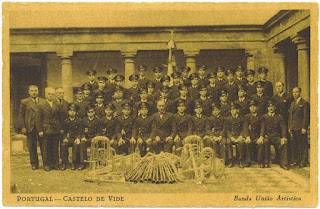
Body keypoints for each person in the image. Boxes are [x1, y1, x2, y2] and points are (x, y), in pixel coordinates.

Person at [18, 85, 44, 170]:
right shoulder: (24, 102)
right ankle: (34, 163)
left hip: (41, 127)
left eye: (36, 90)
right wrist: (23, 127)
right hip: (30, 127)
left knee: (44, 146)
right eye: (32, 91)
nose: (34, 92)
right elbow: (21, 116)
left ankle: (46, 163)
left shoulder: (43, 101)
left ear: (38, 91)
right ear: (29, 92)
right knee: (32, 147)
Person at [36, 87, 62, 171]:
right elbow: (38, 119)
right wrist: (40, 130)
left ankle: (55, 163)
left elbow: (59, 117)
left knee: (55, 147)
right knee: (46, 147)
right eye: (49, 94)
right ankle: (46, 164)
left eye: (52, 94)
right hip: (45, 129)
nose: (50, 96)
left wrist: (60, 128)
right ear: (45, 95)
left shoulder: (57, 104)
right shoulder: (41, 105)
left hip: (55, 128)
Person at [261, 100, 289, 170]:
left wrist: (283, 137)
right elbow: (262, 127)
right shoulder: (264, 117)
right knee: (265, 141)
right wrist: (262, 136)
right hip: (267, 136)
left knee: (284, 143)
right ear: (267, 108)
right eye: (269, 107)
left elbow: (283, 127)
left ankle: (283, 163)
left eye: (272, 106)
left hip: (276, 137)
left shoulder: (279, 117)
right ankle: (266, 161)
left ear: (275, 108)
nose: (271, 108)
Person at [288, 87, 310, 168]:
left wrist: (304, 127)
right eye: (293, 92)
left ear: (300, 92)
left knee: (302, 145)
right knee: (295, 145)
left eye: (296, 92)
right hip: (293, 127)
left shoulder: (304, 103)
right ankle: (297, 161)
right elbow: (290, 116)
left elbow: (306, 116)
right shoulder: (292, 103)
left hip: (301, 128)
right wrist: (290, 127)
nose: (295, 94)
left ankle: (303, 162)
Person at [243, 100, 265, 168]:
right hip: (250, 135)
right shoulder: (246, 117)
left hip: (257, 136)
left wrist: (261, 137)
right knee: (247, 143)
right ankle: (248, 161)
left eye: (254, 106)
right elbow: (245, 127)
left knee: (261, 143)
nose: (252, 108)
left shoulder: (261, 117)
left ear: (257, 108)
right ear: (249, 108)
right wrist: (247, 136)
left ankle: (260, 161)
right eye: (251, 107)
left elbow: (262, 127)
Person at [60, 103, 82, 171]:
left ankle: (74, 162)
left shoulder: (79, 121)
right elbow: (63, 132)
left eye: (74, 111)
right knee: (63, 145)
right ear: (68, 112)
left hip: (75, 138)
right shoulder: (65, 121)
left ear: (76, 112)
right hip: (68, 138)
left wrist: (78, 138)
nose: (72, 112)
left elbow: (80, 131)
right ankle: (64, 162)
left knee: (76, 145)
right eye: (70, 111)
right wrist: (64, 138)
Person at [224, 102, 246, 168]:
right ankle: (231, 161)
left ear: (238, 110)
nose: (232, 111)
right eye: (231, 110)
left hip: (239, 136)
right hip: (231, 136)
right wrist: (231, 137)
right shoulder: (228, 119)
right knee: (228, 142)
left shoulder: (242, 118)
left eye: (234, 109)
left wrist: (240, 136)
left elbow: (243, 129)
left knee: (241, 142)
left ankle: (240, 161)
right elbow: (227, 130)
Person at [80, 105, 101, 170]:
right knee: (82, 143)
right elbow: (82, 131)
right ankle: (83, 163)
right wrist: (83, 137)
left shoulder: (98, 120)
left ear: (94, 112)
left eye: (92, 112)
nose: (90, 113)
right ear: (87, 113)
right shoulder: (84, 121)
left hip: (95, 138)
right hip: (87, 138)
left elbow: (99, 131)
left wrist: (95, 138)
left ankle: (96, 163)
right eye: (89, 112)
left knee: (97, 143)